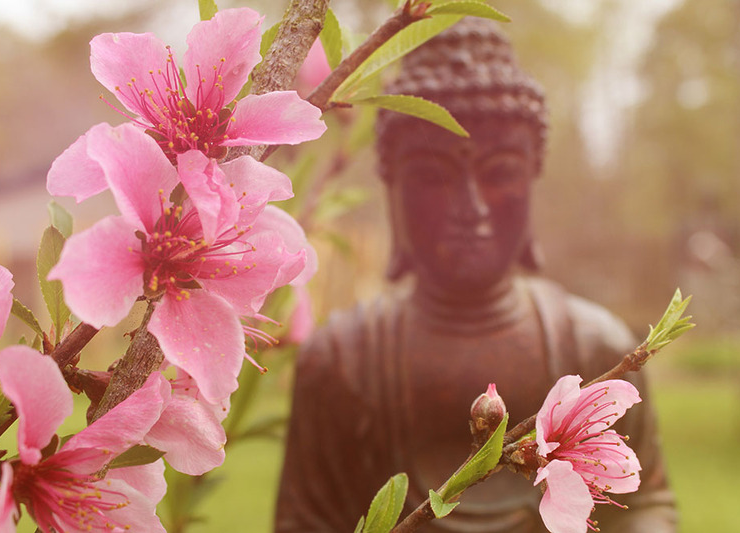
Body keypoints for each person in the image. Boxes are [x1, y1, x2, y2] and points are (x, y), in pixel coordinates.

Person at [275, 18, 676, 533]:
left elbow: (647, 503)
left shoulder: (594, 344)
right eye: (432, 176)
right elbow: (303, 522)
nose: (470, 208)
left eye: (500, 172)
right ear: (393, 189)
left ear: (532, 179)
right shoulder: (340, 360)